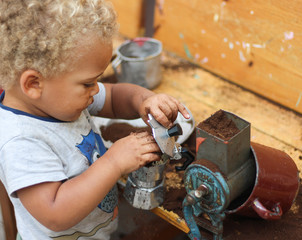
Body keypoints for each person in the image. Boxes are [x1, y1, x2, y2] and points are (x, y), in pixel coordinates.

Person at [0, 0, 190, 239]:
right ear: (33, 84)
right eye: (89, 82)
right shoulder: (20, 141)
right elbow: (55, 213)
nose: (95, 89)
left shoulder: (57, 99)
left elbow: (111, 97)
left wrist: (144, 100)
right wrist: (114, 162)